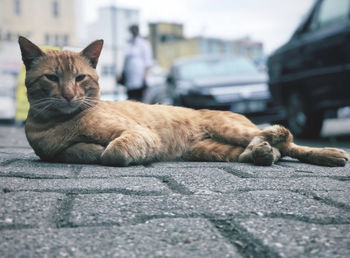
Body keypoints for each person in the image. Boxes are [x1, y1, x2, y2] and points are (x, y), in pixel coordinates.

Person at [119, 25, 153, 101]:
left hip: (140, 79)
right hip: (129, 79)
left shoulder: (144, 44)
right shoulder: (128, 44)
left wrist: (145, 77)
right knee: (130, 99)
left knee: (140, 100)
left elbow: (148, 62)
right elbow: (125, 61)